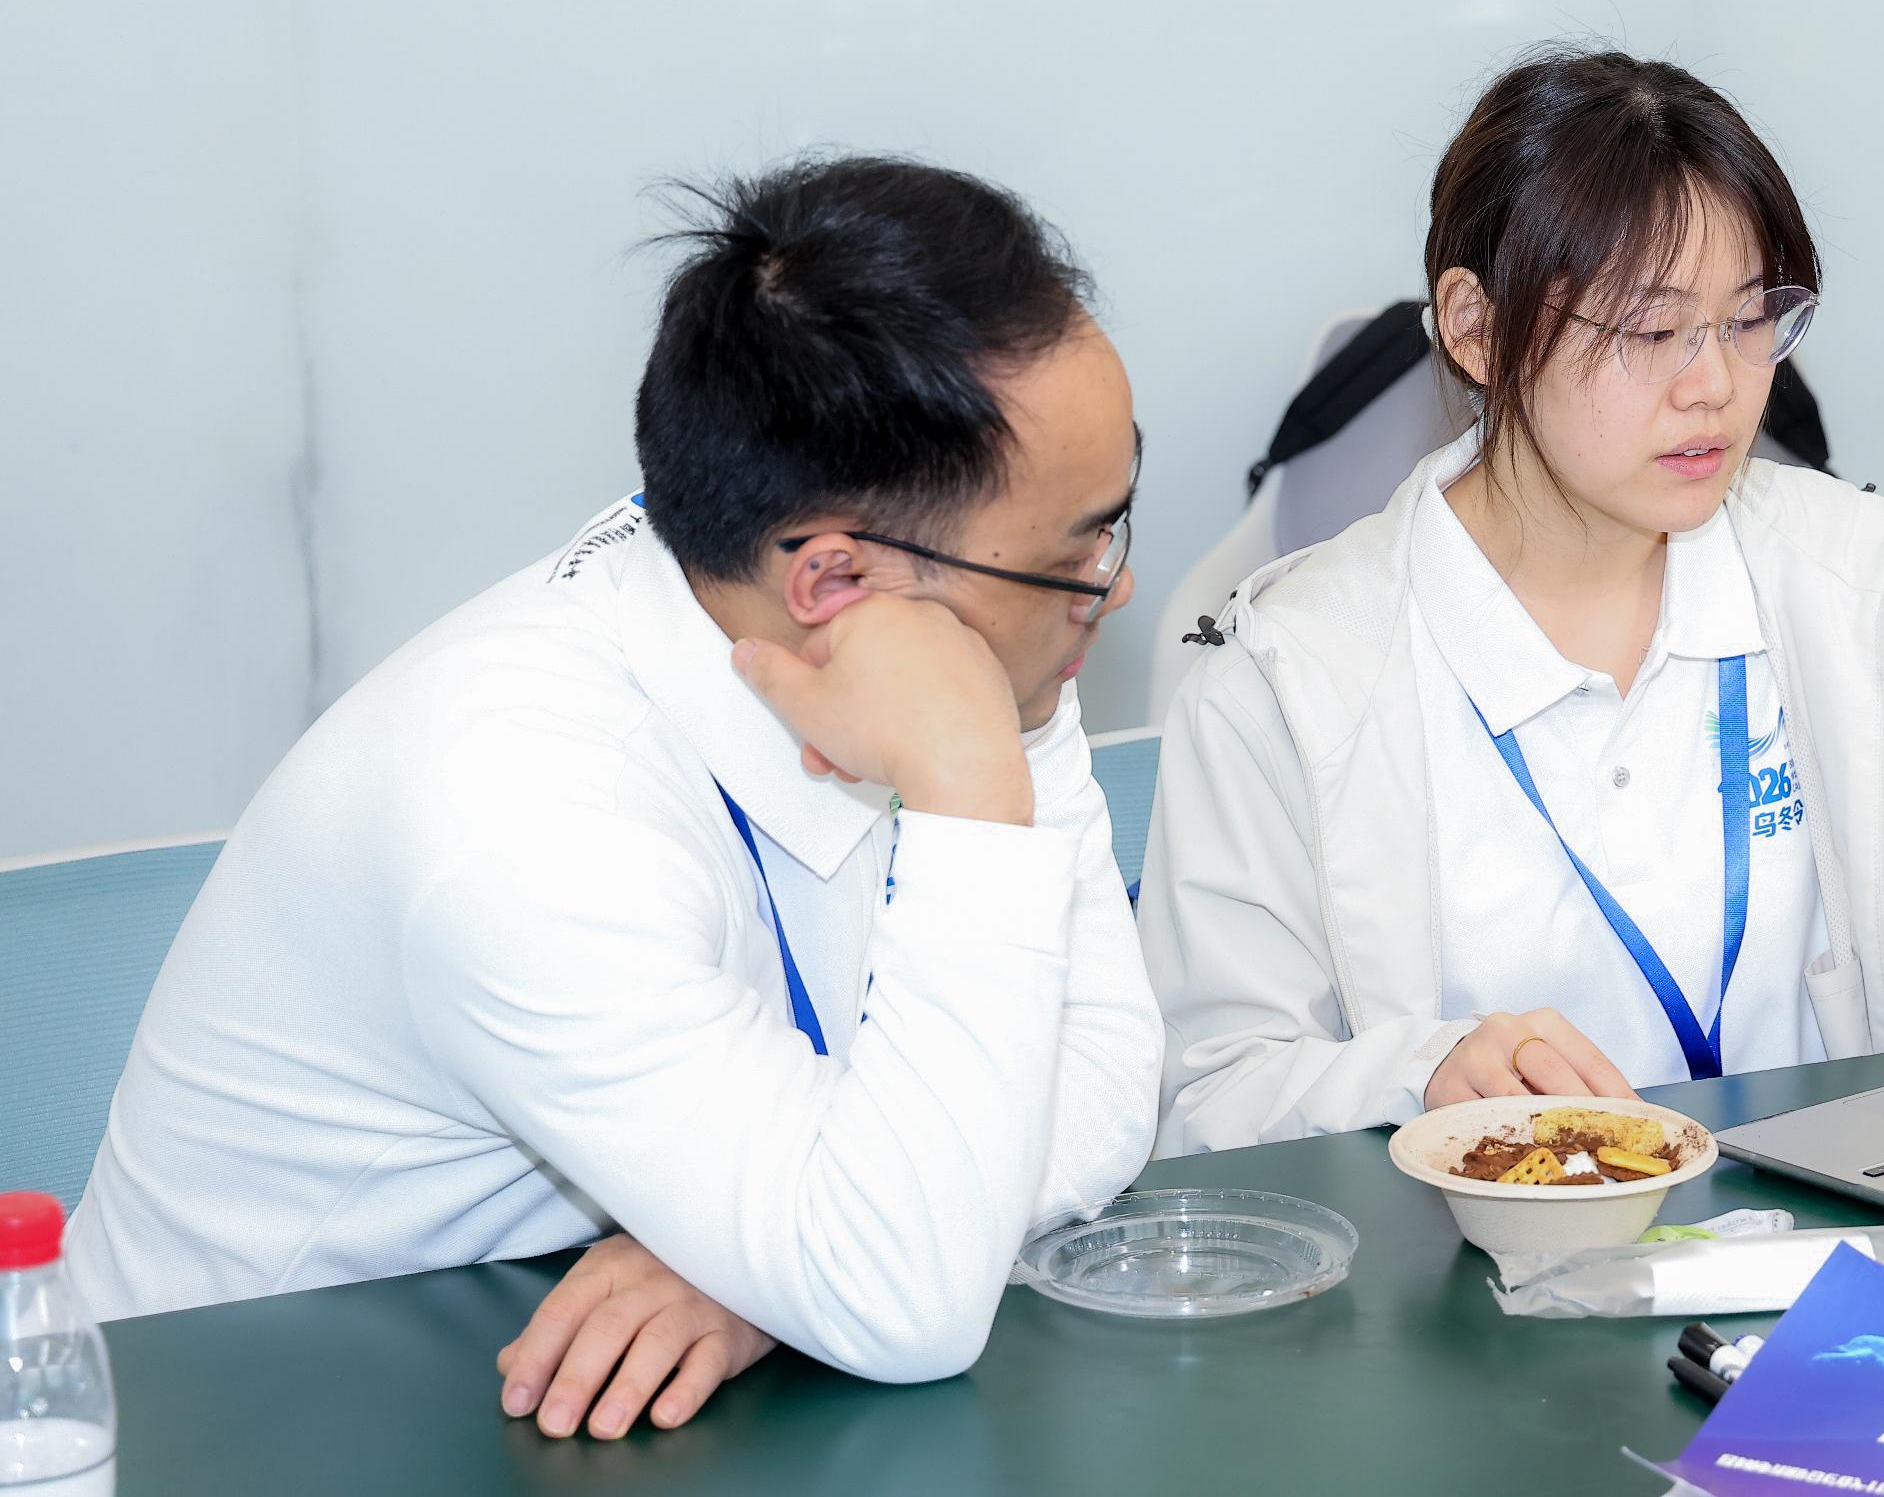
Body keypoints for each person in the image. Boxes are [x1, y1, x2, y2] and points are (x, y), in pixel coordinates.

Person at [68, 157, 1162, 1438]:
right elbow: (905, 1299)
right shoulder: (517, 812)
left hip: (558, 1411)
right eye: (1076, 551)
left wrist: (781, 1258)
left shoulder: (966, 638)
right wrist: (833, 1246)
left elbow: (1102, 1076)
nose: (1113, 586)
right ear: (834, 579)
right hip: (232, 1429)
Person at [1134, 48, 1884, 1153]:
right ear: (1476, 329)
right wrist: (1418, 1073)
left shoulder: (1852, 585)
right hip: (1469, 1281)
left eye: (1749, 318)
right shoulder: (1288, 675)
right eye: (1649, 329)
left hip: (1826, 1252)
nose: (1714, 386)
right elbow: (1208, 1094)